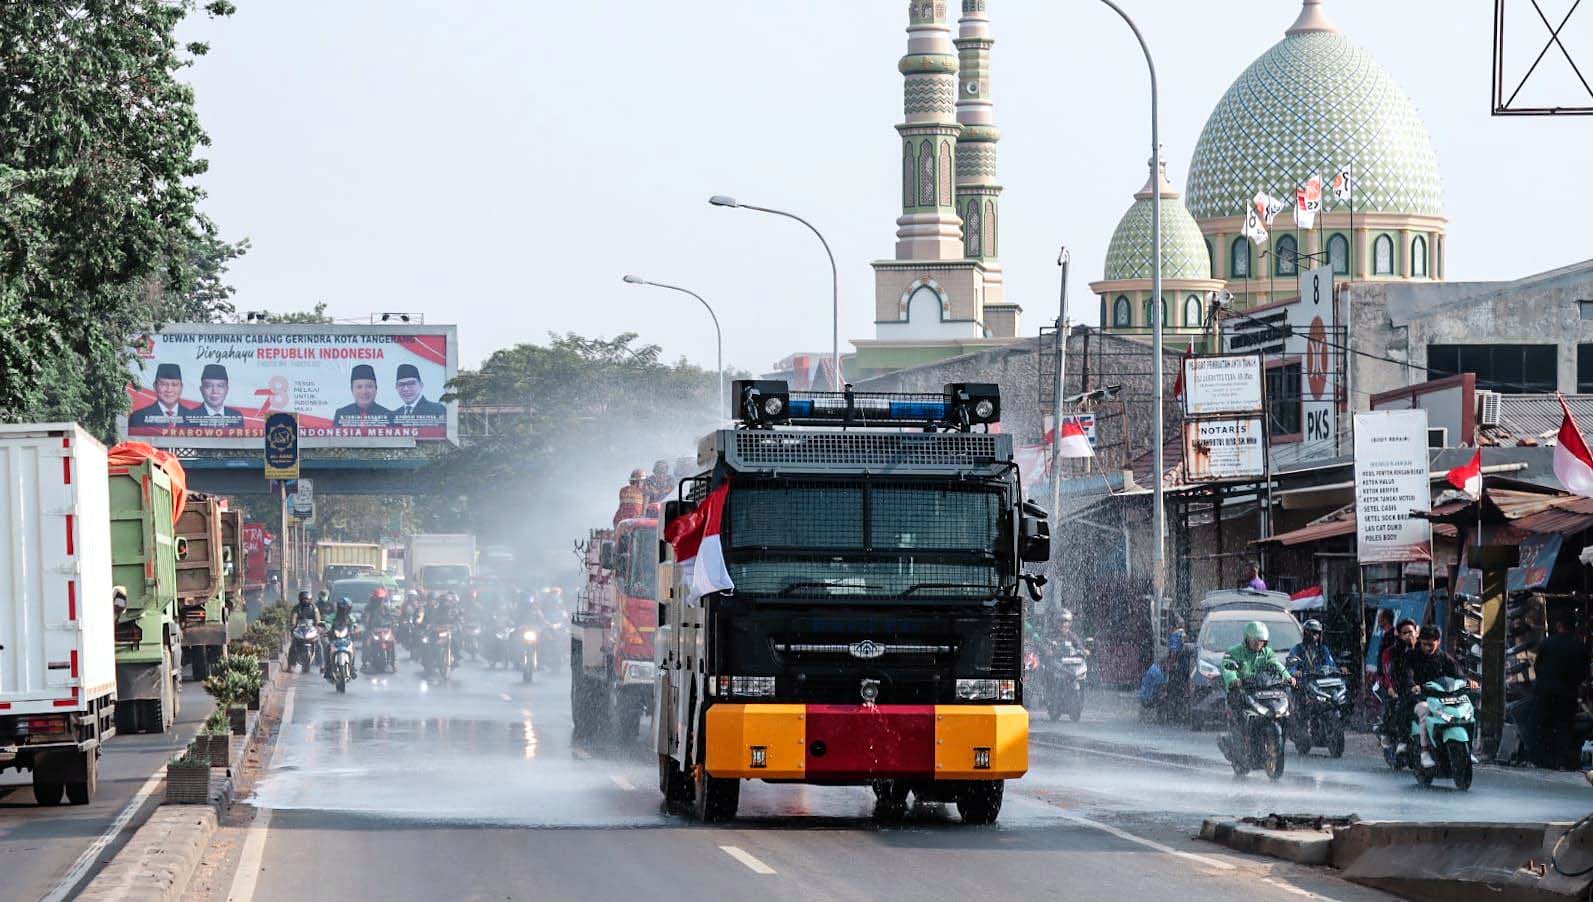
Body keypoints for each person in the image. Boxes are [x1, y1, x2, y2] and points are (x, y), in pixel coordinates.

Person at [1395, 625, 1468, 769]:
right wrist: (1413, 685)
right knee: (1425, 711)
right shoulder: (1411, 656)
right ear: (1420, 641)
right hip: (1418, 698)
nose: (1428, 647)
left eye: (1431, 644)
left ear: (1438, 642)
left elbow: (1459, 675)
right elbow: (1406, 674)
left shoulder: (1444, 658)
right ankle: (1424, 751)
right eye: (1425, 644)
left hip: (1441, 698)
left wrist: (1468, 684)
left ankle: (1466, 748)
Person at [1219, 622, 1292, 755]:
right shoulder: (1234, 652)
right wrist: (1234, 680)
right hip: (1241, 691)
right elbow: (1228, 668)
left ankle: (1274, 742)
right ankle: (1238, 746)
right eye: (1255, 641)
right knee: (1239, 716)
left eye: (1261, 641)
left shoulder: (1267, 653)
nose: (1258, 644)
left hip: (1262, 691)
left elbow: (1277, 665)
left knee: (1282, 710)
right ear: (1247, 639)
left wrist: (1288, 677)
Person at [1532, 616, 1590, 770]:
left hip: (1546, 692)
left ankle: (1545, 761)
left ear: (1559, 625)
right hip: (1567, 693)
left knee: (1545, 726)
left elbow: (1537, 666)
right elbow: (1584, 672)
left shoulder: (1548, 643)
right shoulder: (1579, 646)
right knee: (1565, 727)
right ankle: (1565, 761)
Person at [1377, 618, 1419, 748]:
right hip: (1396, 686)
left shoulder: (1423, 649)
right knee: (1396, 704)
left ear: (1416, 632)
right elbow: (1387, 672)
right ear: (1399, 635)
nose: (1408, 635)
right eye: (1405, 633)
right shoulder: (1391, 652)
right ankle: (1397, 737)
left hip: (1418, 687)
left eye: (1410, 632)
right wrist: (1391, 687)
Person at [128, 363, 191, 428]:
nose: (169, 390)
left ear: (181, 387)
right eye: (163, 384)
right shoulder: (138, 417)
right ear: (155, 386)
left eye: (174, 384)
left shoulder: (192, 417)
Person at [323, 597, 358, 680]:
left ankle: (352, 668)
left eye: (347, 608)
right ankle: (328, 669)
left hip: (346, 639)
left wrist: (355, 630)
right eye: (343, 608)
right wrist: (326, 629)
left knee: (353, 648)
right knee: (327, 647)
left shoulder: (350, 617)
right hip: (334, 639)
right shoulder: (332, 616)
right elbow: (327, 622)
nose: (345, 610)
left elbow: (355, 625)